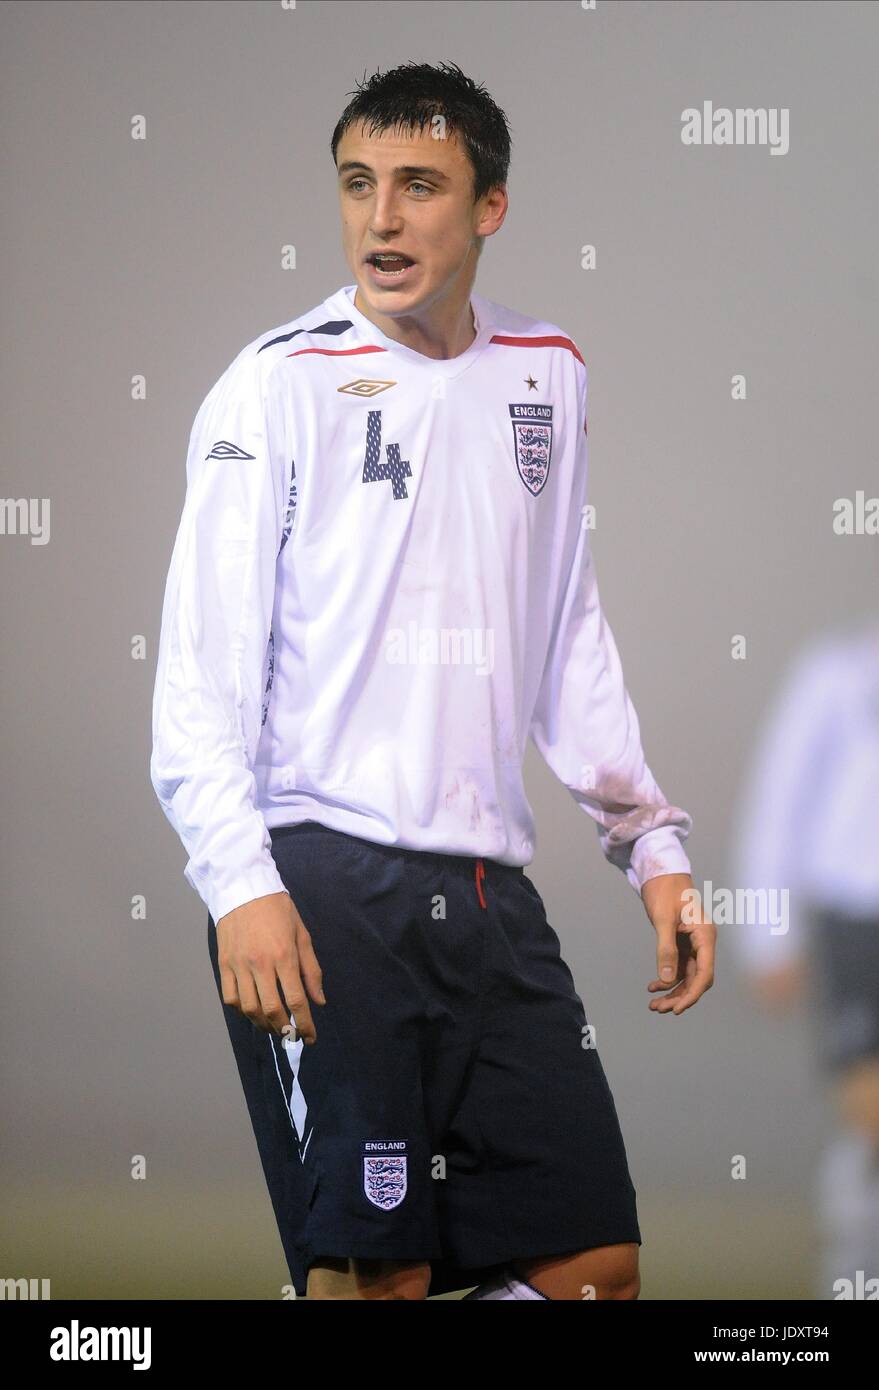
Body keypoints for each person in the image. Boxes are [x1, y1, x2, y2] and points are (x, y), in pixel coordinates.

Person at [150, 60, 715, 1301]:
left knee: (598, 1271)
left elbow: (564, 623)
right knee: (376, 1283)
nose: (381, 220)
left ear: (490, 206)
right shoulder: (276, 383)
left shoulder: (548, 372)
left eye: (419, 186)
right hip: (321, 879)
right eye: (359, 186)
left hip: (482, 881)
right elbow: (199, 666)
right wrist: (241, 881)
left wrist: (652, 843)